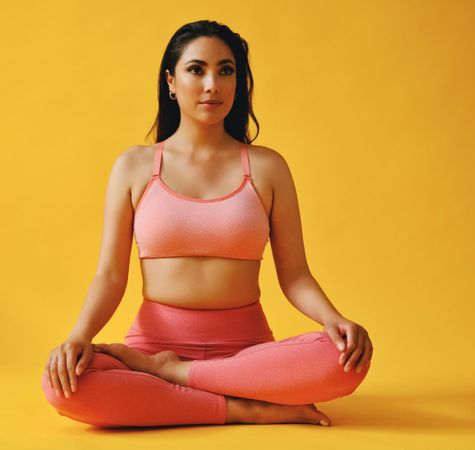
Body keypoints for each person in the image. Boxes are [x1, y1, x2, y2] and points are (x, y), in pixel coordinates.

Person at [41, 19, 373, 428]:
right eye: (197, 69)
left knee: (345, 361)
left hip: (244, 357)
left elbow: (296, 275)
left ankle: (172, 377)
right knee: (62, 385)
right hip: (152, 346)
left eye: (226, 70)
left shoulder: (268, 167)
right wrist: (78, 336)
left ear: (239, 83)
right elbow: (110, 275)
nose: (212, 84)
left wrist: (333, 320)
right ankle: (242, 407)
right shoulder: (135, 166)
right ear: (171, 81)